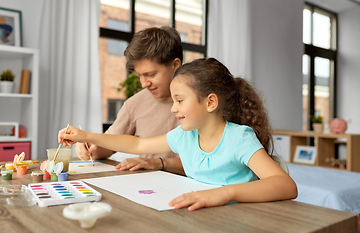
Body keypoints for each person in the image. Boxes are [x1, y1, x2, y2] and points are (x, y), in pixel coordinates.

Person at [59, 57, 298, 211]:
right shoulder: (185, 136)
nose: (173, 108)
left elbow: (285, 185)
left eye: (180, 100)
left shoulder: (238, 138)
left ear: (210, 102)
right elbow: (135, 144)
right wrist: (85, 135)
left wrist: (224, 193)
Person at [76, 26, 184, 174]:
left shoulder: (200, 102)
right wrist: (91, 149)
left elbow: (206, 162)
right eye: (140, 75)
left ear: (175, 65)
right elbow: (110, 144)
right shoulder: (135, 104)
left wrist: (158, 163)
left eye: (151, 74)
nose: (144, 83)